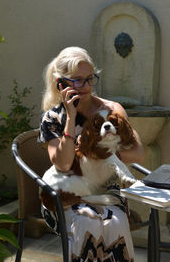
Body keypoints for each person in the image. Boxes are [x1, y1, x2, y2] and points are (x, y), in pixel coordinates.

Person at [38, 46, 144, 262]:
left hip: (108, 192)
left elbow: (137, 152)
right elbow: (63, 165)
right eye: (78, 80)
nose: (86, 86)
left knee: (114, 222)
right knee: (86, 222)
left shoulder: (112, 109)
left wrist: (97, 157)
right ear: (61, 83)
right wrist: (70, 117)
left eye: (90, 79)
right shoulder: (52, 119)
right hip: (64, 196)